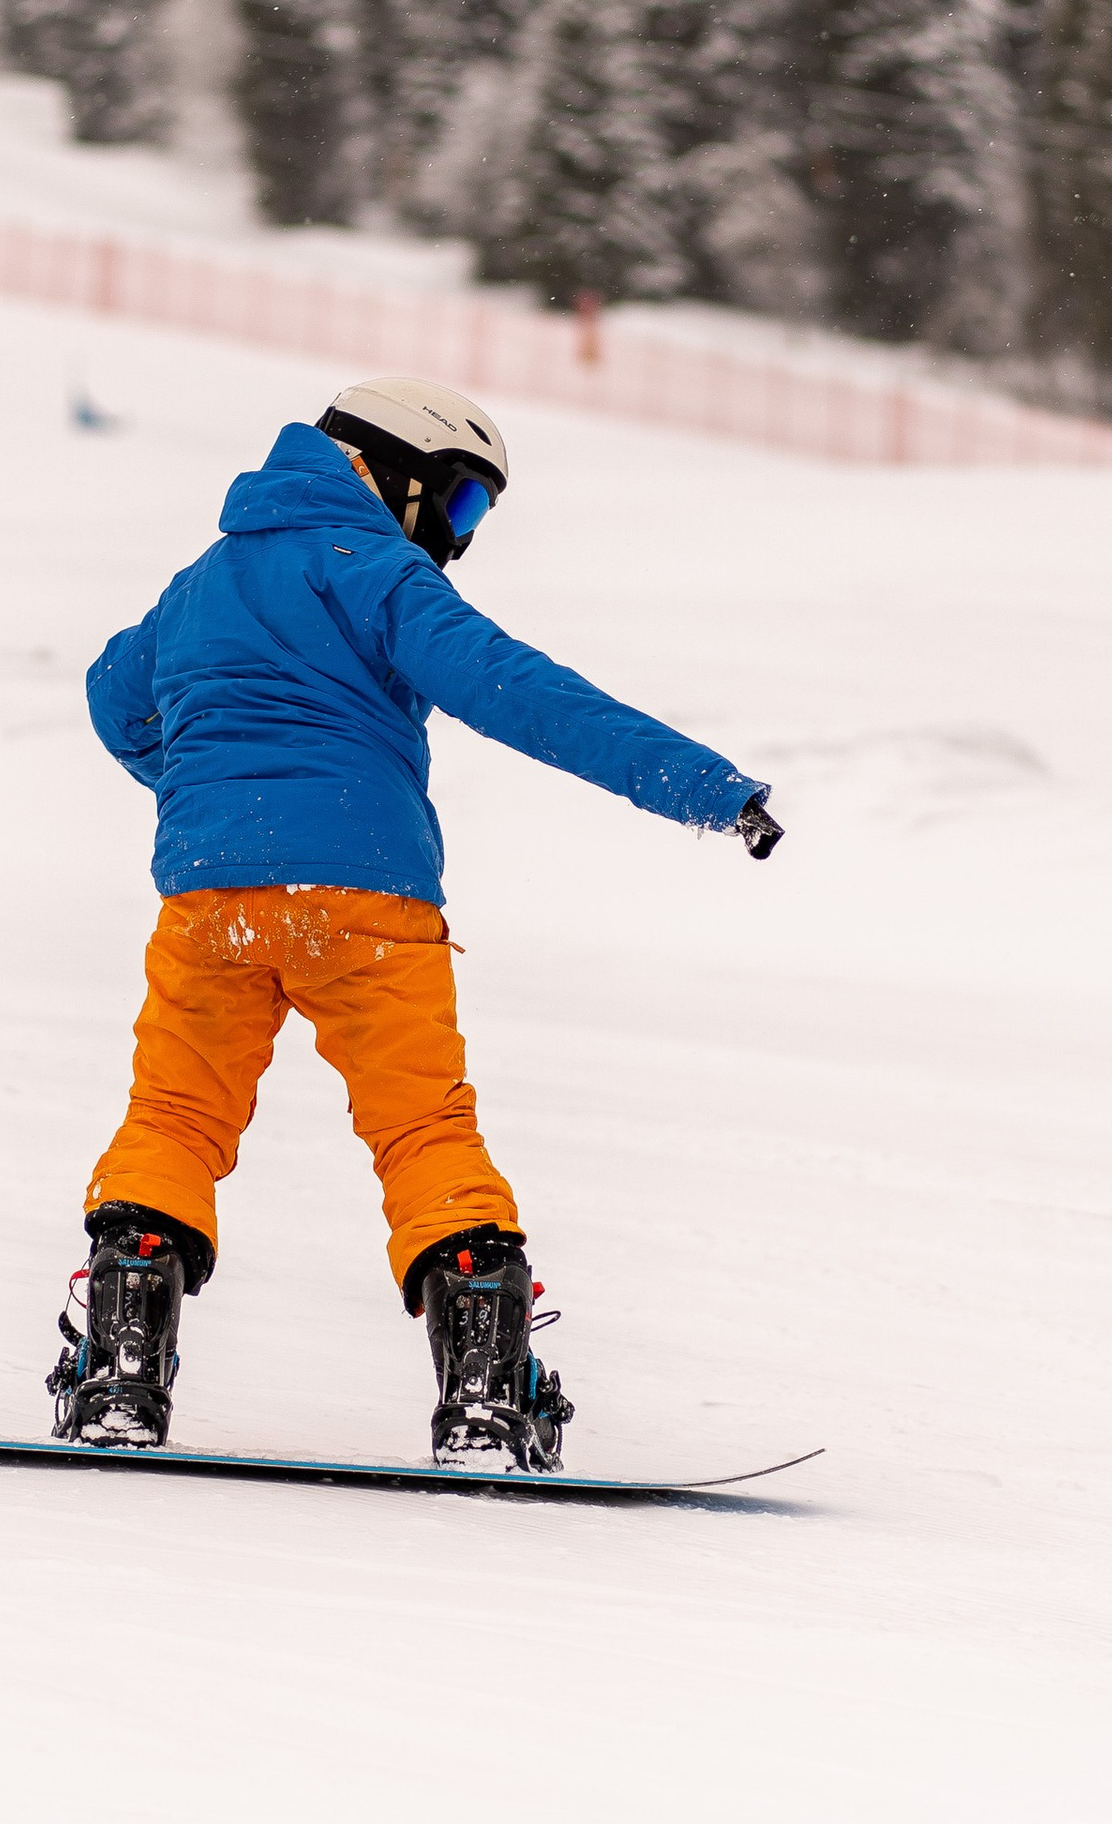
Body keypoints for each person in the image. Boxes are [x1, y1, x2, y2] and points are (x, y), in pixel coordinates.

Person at [58, 373, 782, 1467]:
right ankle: (488, 1401)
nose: (459, 538)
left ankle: (117, 1378)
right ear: (385, 468)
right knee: (422, 1133)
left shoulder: (201, 583)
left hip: (208, 900)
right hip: (365, 902)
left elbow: (116, 699)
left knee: (172, 1120)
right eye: (459, 505)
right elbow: (521, 692)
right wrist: (705, 788)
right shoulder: (377, 574)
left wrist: (209, 797)